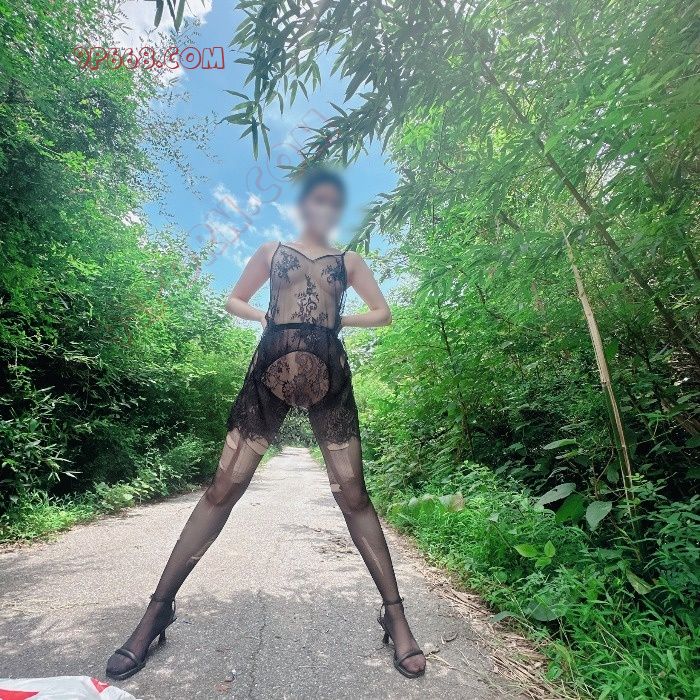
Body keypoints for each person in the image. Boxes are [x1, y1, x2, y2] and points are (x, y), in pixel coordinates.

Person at [106, 167, 426, 681]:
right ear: (303, 205)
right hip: (268, 372)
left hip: (328, 376)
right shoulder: (271, 251)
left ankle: (396, 616)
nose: (323, 207)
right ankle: (156, 611)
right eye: (316, 199)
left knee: (354, 494)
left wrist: (340, 320)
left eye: (332, 201)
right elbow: (233, 298)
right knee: (222, 489)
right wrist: (261, 317)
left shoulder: (348, 261)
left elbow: (382, 313)